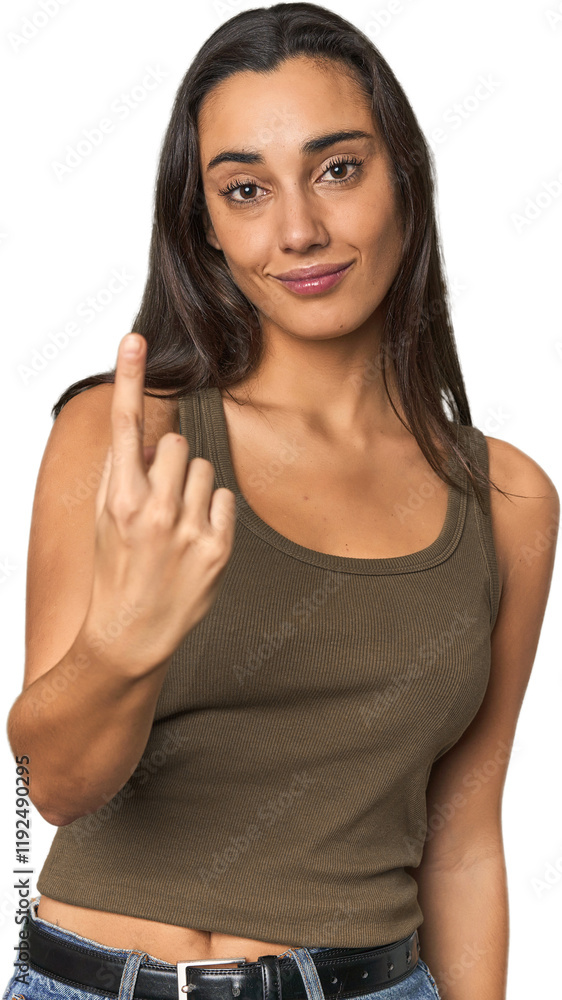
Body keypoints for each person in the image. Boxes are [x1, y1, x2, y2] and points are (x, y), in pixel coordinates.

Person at [3, 3, 558, 999]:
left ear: (406, 180)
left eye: (337, 169)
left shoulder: (509, 498)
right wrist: (129, 637)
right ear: (206, 227)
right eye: (246, 189)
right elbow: (57, 787)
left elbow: (465, 840)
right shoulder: (128, 438)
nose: (298, 230)